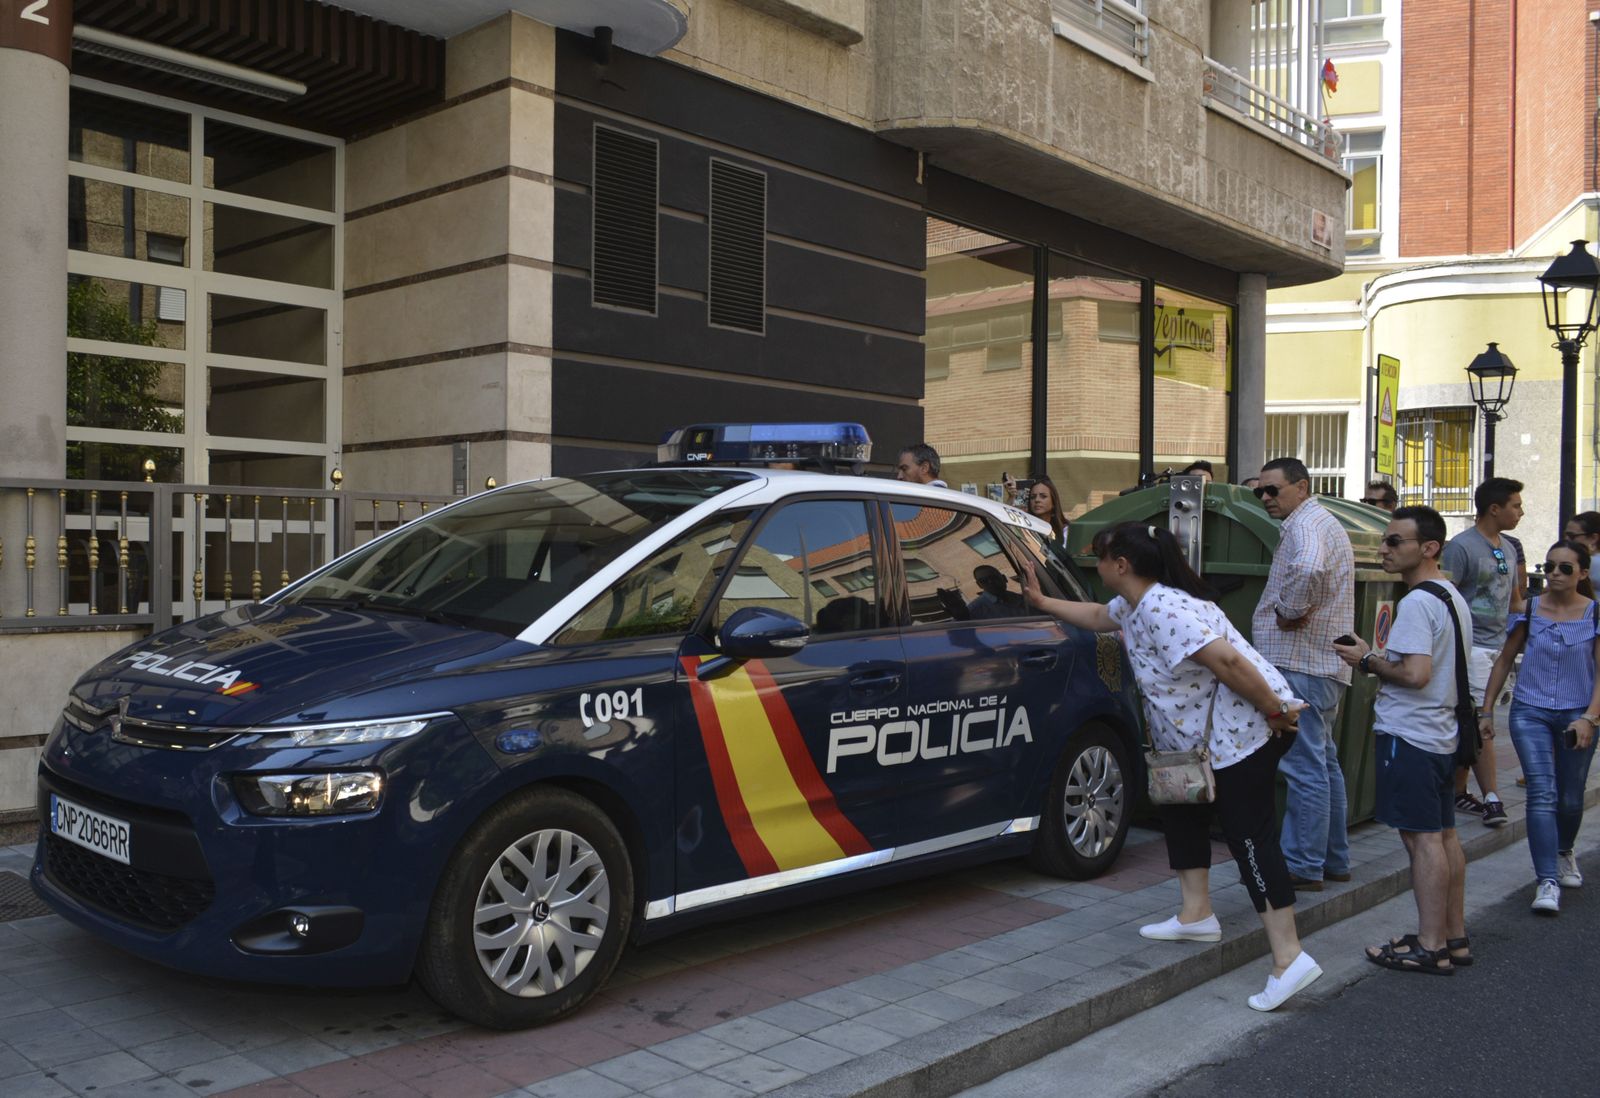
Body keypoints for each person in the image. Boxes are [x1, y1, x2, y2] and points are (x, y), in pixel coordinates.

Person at [1022, 523, 1322, 1012]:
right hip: (1196, 747)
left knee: (1250, 839)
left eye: (1098, 556)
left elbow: (1228, 663)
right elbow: (1099, 615)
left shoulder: (1165, 608)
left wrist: (1274, 709)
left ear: (1121, 565)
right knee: (1182, 813)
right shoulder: (1136, 604)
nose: (1093, 564)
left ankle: (1290, 959)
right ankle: (1195, 914)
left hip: (1241, 739)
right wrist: (1043, 603)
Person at [1334, 506, 1470, 975]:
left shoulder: (1416, 603)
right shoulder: (1450, 596)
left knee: (1422, 841)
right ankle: (1453, 937)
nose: (1384, 549)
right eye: (1385, 540)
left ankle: (1430, 945)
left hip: (1410, 734)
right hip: (1440, 735)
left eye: (1395, 542)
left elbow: (1414, 674)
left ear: (1428, 548)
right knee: (1444, 836)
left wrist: (1367, 660)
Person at [1251, 457, 1356, 891]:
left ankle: (1304, 864)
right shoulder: (1316, 521)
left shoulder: (1306, 526)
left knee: (1304, 765)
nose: (1265, 498)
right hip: (1316, 664)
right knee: (1323, 762)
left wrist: (1288, 609)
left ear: (1301, 486)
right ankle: (1333, 859)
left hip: (1301, 663)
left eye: (1273, 490)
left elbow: (1309, 568)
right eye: (1260, 491)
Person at [1480, 539, 1600, 915]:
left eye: (1565, 568)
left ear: (1582, 573)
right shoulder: (1531, 609)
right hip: (1530, 711)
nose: (1555, 574)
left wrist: (1589, 718)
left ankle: (1564, 851)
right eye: (1549, 566)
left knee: (1570, 795)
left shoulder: (1594, 614)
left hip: (1578, 714)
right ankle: (1546, 879)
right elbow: (1503, 660)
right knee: (1542, 793)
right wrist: (1486, 712)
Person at [1440, 477, 1525, 829]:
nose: (1521, 511)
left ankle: (1458, 791)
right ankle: (1492, 797)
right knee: (1481, 722)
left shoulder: (1508, 546)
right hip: (1470, 649)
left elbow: (1516, 600)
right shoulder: (1461, 547)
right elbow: (1445, 597)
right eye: (1516, 505)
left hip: (1498, 649)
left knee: (1473, 723)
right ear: (1494, 508)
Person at [1005, 473, 1068, 545]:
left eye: (1043, 496)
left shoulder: (1066, 532)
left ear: (1053, 502)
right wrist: (1011, 498)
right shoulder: (1024, 528)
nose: (1037, 500)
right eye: (1033, 497)